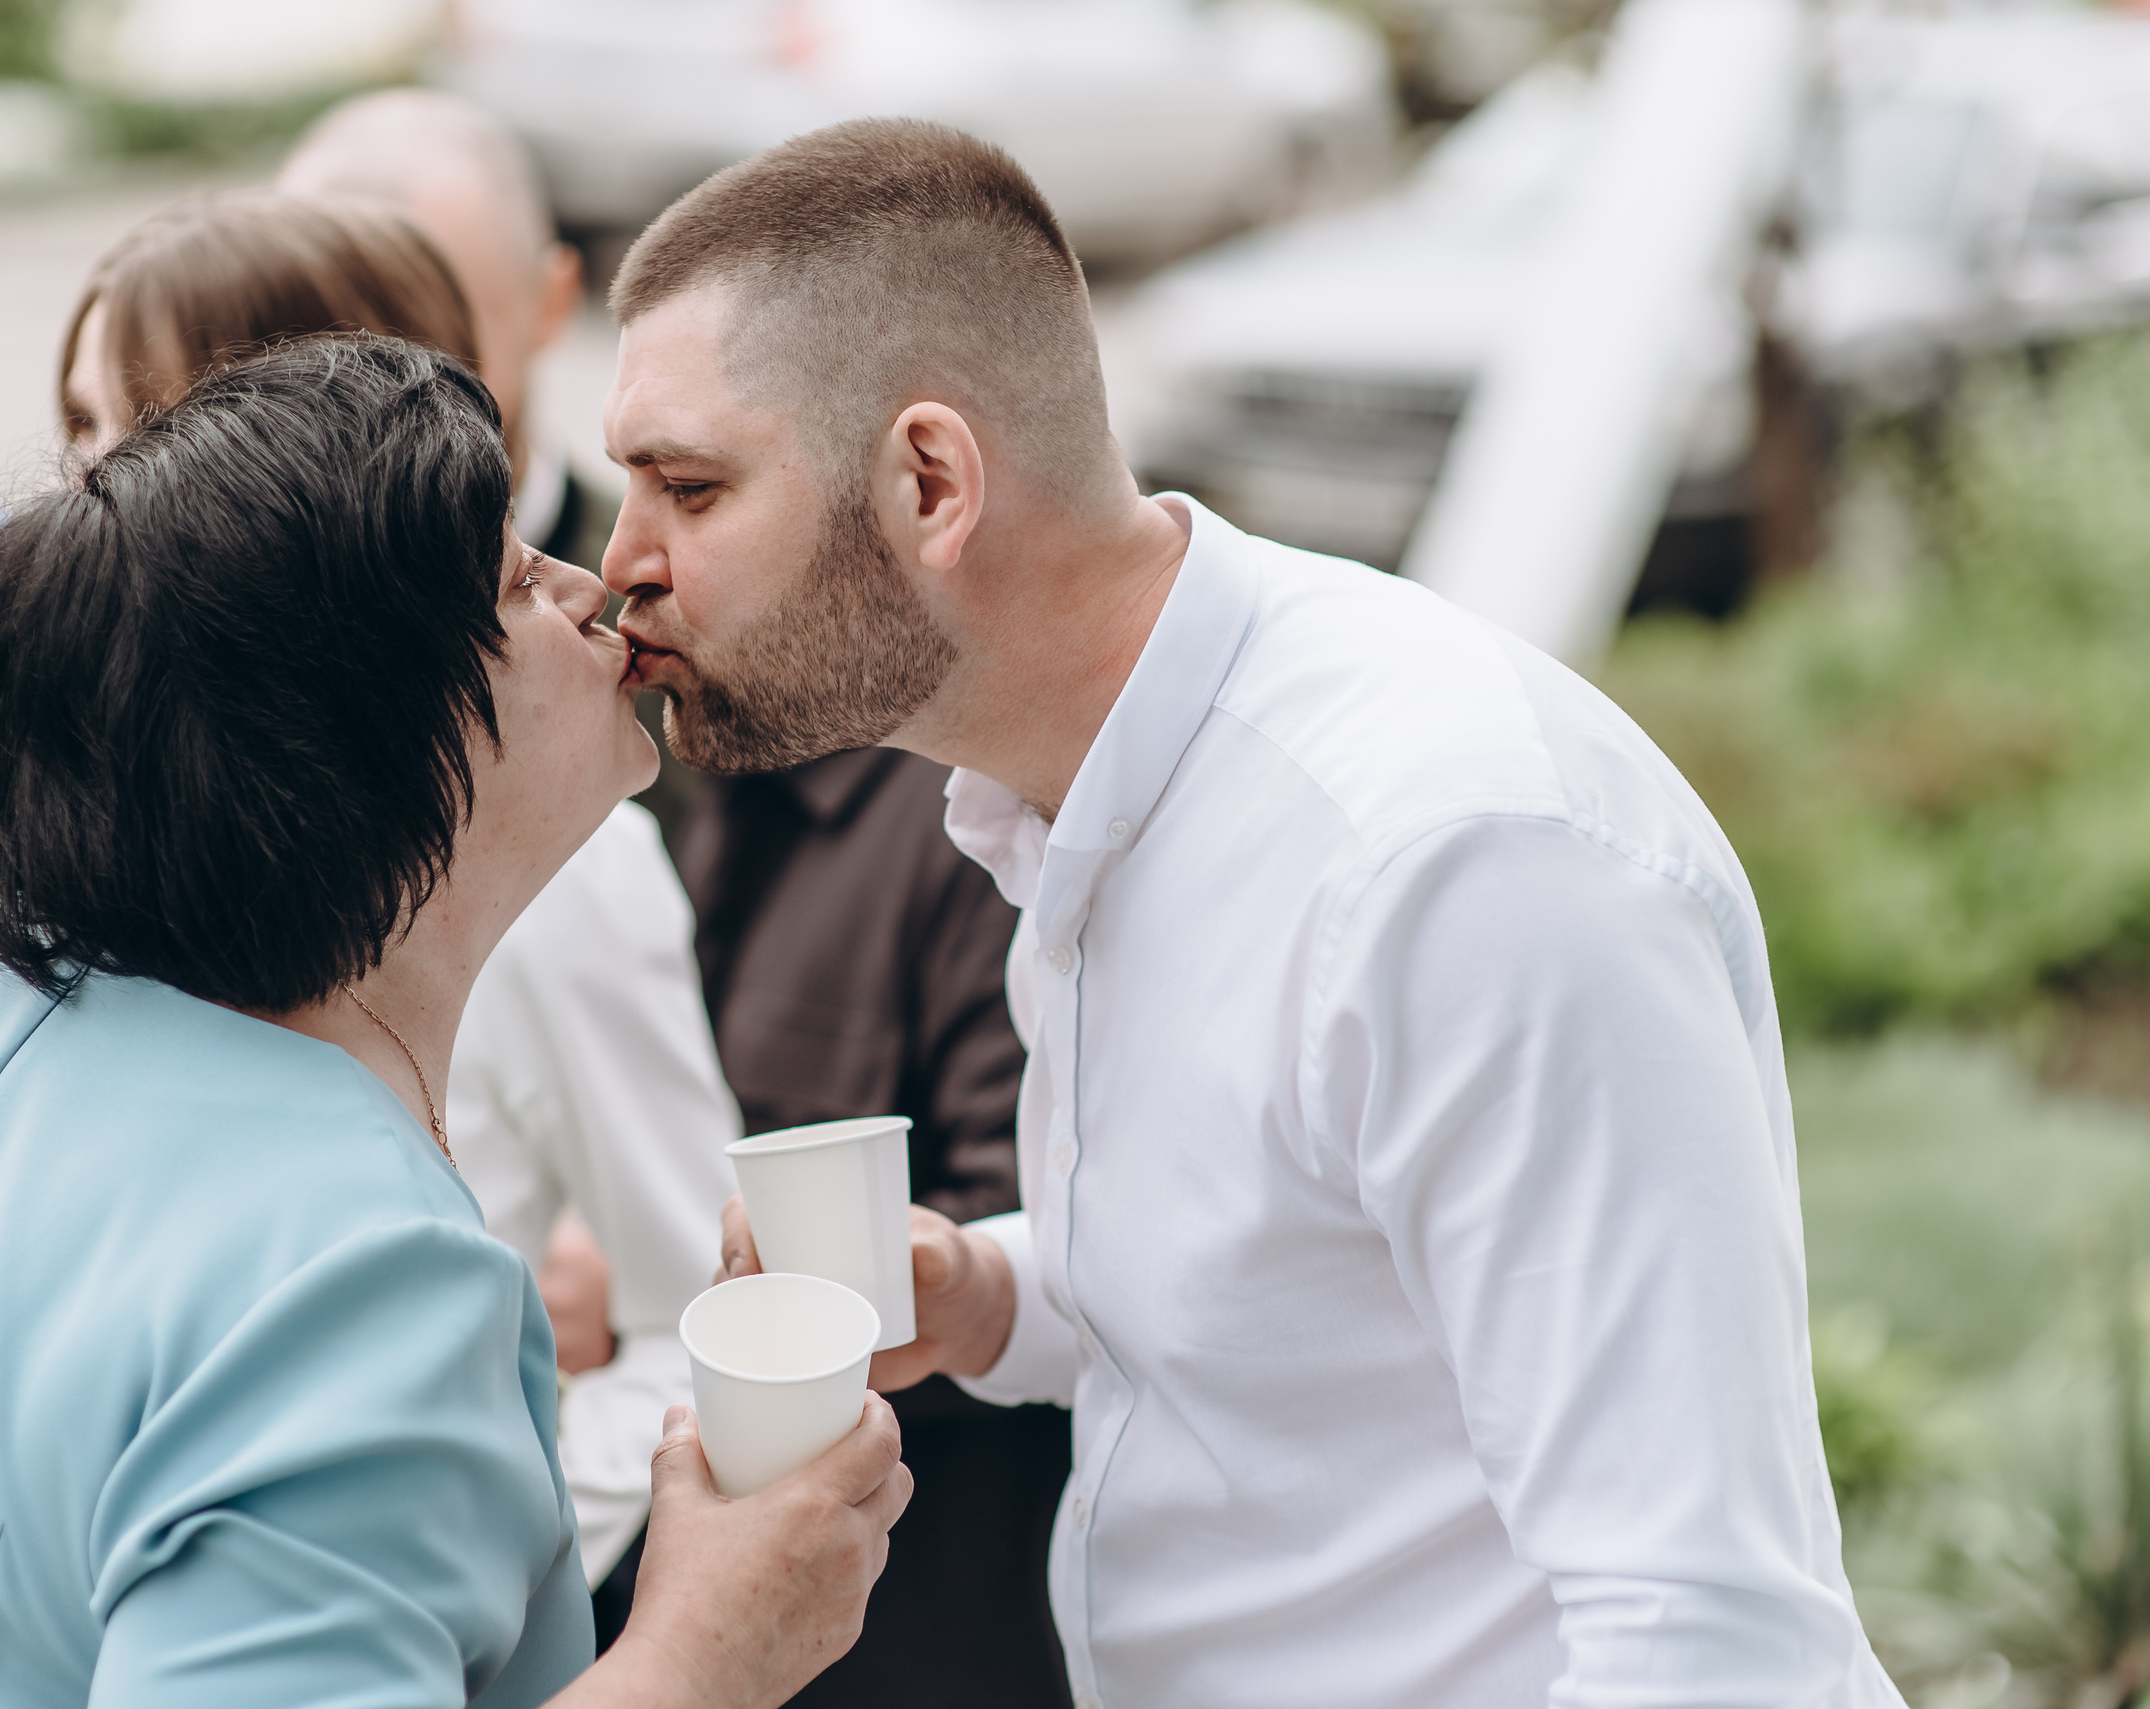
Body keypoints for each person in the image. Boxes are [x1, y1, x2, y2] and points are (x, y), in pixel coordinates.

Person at [607, 120, 1909, 1708]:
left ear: (929, 481)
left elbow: (1704, 1633)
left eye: (687, 486)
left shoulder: (1455, 859)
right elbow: (1302, 1272)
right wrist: (990, 1293)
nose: (620, 565)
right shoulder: (1079, 786)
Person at [0, 332, 909, 1708]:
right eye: (521, 578)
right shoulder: (353, 1287)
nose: (594, 587)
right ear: (383, 734)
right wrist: (703, 1652)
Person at [58, 190, 744, 1616]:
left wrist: (494, 1547)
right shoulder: (125, 837)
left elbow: (695, 1302)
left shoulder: (575, 869)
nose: (90, 486)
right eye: (75, 428)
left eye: (134, 426)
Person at [675, 751, 1071, 1708]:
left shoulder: (970, 832)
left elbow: (1049, 1204)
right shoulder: (724, 807)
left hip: (937, 1624)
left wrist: (648, 1289)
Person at [279, 92, 599, 564]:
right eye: (316, 341)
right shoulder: (210, 582)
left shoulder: (663, 590)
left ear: (553, 302)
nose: (370, 388)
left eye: (428, 335)